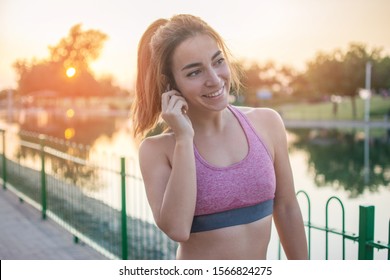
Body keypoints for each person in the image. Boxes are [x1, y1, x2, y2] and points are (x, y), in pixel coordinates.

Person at [132, 14, 308, 260]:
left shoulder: (267, 123)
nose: (214, 79)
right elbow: (177, 229)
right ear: (171, 84)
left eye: (218, 61)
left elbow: (287, 208)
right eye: (194, 73)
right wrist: (184, 139)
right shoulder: (157, 150)